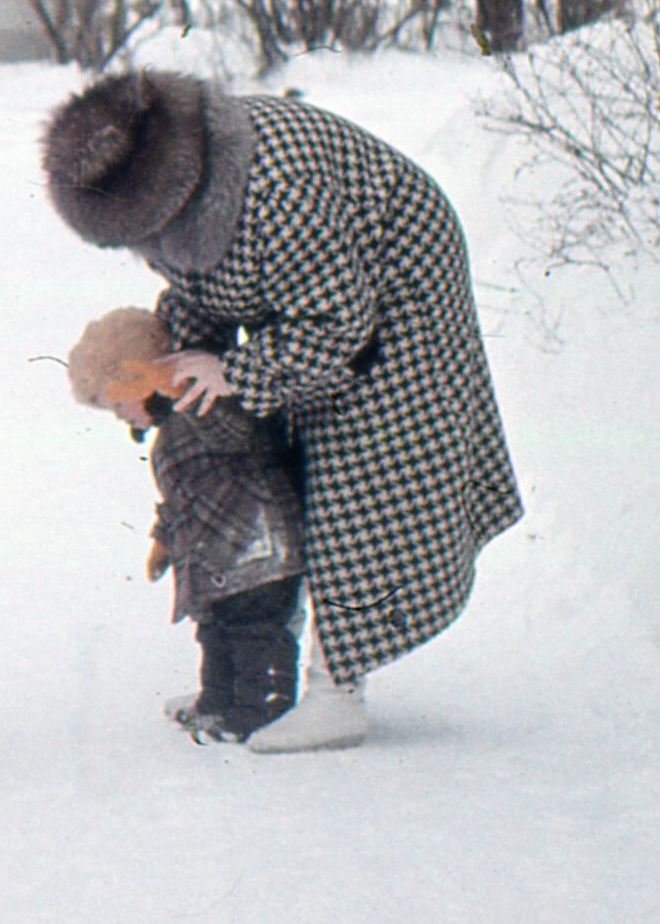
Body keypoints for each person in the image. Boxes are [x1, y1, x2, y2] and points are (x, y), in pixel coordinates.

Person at [40, 71, 521, 751]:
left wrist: (235, 369)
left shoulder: (279, 193)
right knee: (277, 452)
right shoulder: (184, 190)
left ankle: (338, 689)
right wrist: (175, 371)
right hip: (323, 304)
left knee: (356, 480)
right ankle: (250, 685)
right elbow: (200, 286)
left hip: (392, 296)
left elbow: (335, 322)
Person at [65, 306, 307, 744]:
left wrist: (174, 388)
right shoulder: (168, 436)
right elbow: (178, 497)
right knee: (214, 632)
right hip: (219, 558)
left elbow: (242, 433)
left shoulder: (202, 408)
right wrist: (162, 539)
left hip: (257, 550)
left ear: (142, 379)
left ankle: (261, 711)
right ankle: (217, 702)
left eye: (119, 401)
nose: (121, 416)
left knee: (255, 635)